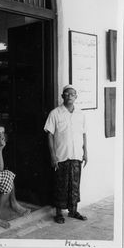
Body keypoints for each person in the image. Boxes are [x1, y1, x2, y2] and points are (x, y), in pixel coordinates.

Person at [44, 84, 88, 224]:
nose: (69, 96)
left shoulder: (81, 114)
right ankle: (58, 213)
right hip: (61, 155)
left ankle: (73, 211)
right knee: (60, 184)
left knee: (75, 184)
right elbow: (49, 134)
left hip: (76, 155)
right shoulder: (55, 113)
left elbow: (84, 134)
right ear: (62, 96)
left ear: (76, 97)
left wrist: (85, 152)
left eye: (72, 94)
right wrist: (52, 155)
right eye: (66, 94)